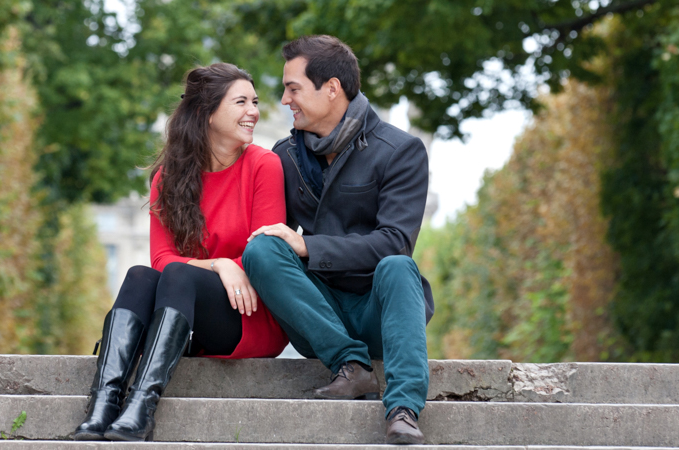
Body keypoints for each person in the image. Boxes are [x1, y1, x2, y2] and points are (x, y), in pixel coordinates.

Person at [73, 63, 288, 442]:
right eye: (241, 102)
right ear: (207, 113)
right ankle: (103, 405)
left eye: (254, 101)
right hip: (185, 317)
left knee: (178, 273)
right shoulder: (167, 178)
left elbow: (268, 255)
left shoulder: (265, 166)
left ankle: (142, 407)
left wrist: (230, 268)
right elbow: (161, 259)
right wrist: (221, 264)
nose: (253, 111)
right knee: (142, 275)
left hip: (250, 313)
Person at [242, 35, 433, 445]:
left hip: (378, 313)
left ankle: (402, 408)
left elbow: (394, 242)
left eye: (293, 88)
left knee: (400, 266)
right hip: (318, 316)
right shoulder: (284, 156)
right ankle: (350, 365)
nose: (283, 99)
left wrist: (311, 246)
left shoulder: (401, 151)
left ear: (332, 88)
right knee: (260, 247)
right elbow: (271, 245)